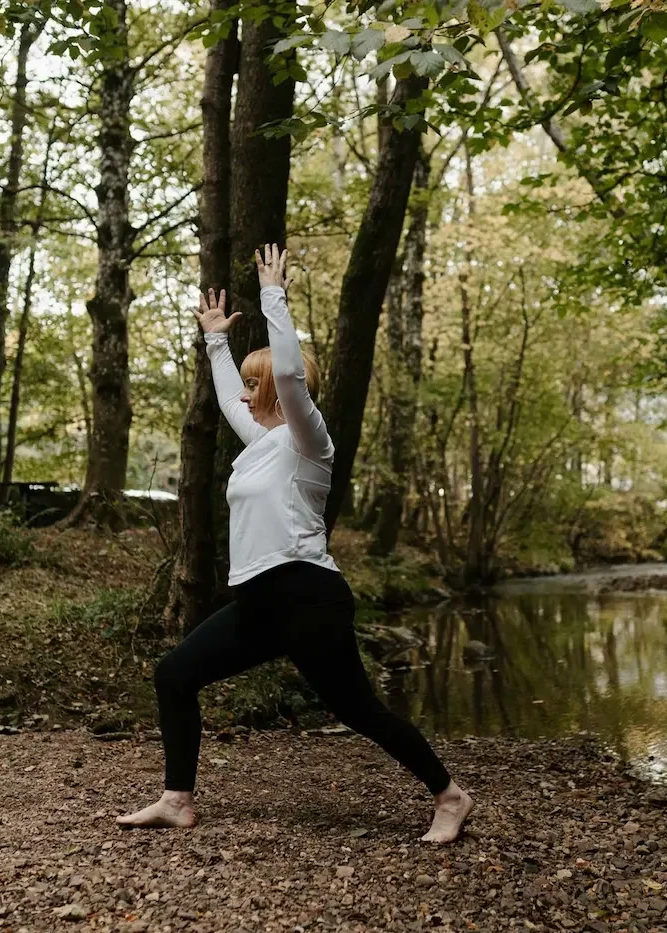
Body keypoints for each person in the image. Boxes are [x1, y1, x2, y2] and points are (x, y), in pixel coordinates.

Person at [117, 244, 474, 844]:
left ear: (282, 388)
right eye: (251, 382)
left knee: (359, 711)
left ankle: (451, 795)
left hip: (308, 595)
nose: (249, 390)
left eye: (257, 382)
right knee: (175, 675)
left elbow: (286, 373)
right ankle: (177, 799)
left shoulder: (311, 442)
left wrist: (274, 298)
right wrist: (214, 341)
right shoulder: (258, 445)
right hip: (259, 603)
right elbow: (231, 395)